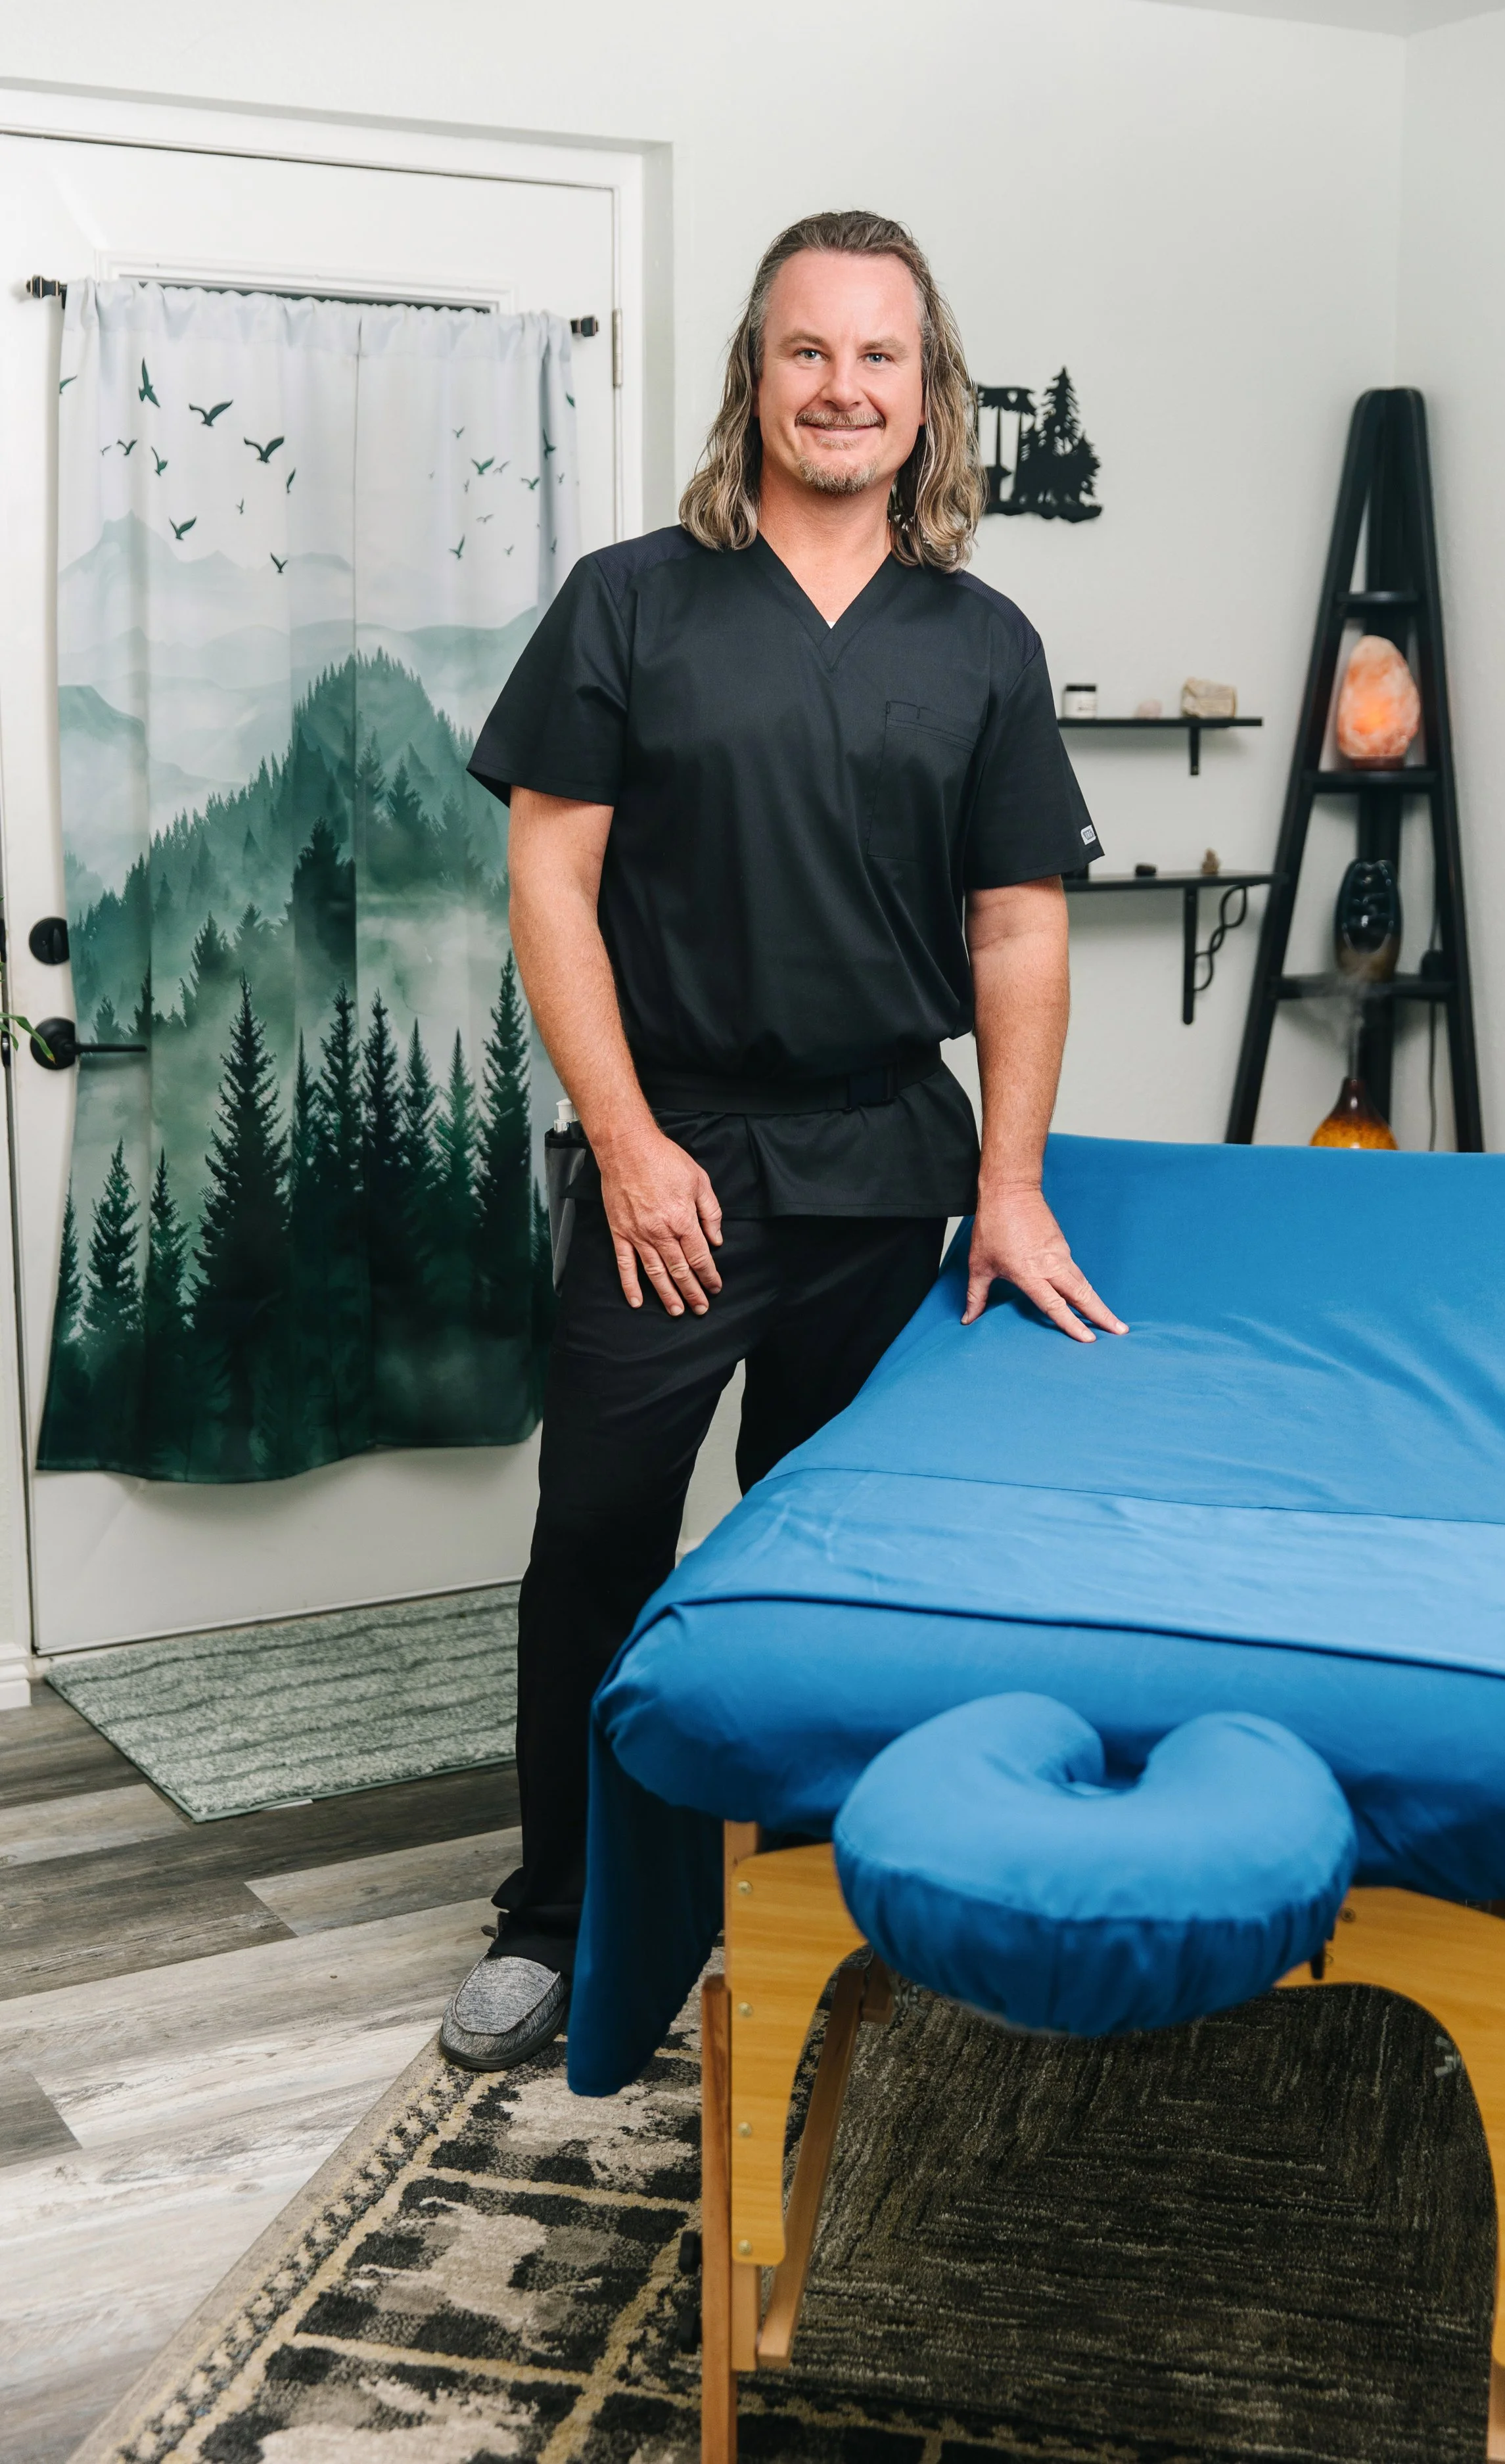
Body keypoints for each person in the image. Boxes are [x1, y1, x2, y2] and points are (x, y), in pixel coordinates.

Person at [440, 208, 1126, 2071]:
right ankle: (562, 1916)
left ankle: (800, 1891)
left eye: (878, 356)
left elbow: (1016, 928)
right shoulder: (630, 599)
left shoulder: (981, 642)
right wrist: (630, 1142)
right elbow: (549, 886)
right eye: (805, 350)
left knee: (826, 1544)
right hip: (673, 1157)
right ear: (754, 376)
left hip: (885, 1160)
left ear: (928, 397)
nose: (842, 386)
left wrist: (1006, 1182)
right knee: (597, 1531)